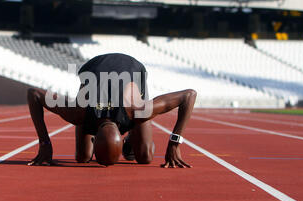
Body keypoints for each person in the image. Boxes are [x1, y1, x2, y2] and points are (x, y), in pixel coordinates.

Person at [27, 53, 197, 168]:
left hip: (132, 70)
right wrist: (44, 143)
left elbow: (189, 95)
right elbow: (33, 94)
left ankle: (131, 137)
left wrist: (175, 143)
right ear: (94, 135)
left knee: (145, 157)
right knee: (83, 157)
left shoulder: (137, 109)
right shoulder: (79, 112)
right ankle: (122, 137)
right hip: (93, 70)